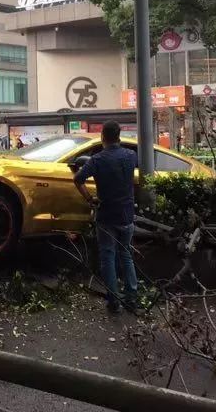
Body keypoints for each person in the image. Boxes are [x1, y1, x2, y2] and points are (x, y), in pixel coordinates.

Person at [73, 120, 139, 313]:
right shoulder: (131, 156)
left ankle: (113, 300)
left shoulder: (97, 160)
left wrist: (90, 199)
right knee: (126, 254)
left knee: (108, 257)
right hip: (126, 215)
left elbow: (78, 179)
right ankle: (132, 298)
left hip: (106, 215)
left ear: (103, 137)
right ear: (119, 136)